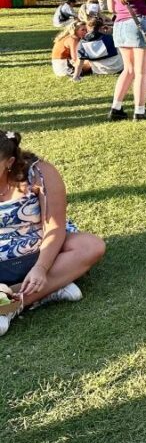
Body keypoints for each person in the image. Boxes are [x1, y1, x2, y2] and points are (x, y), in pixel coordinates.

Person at [0, 131, 106, 336]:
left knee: (91, 245)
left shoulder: (40, 173)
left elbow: (54, 225)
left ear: (9, 162)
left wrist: (41, 267)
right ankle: (49, 289)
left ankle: (7, 306)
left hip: (41, 252)